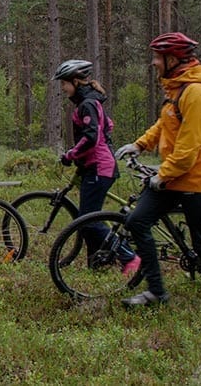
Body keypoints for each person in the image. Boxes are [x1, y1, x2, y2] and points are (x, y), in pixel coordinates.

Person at [114, 32, 201, 307]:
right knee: (137, 221)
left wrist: (162, 175)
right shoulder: (177, 88)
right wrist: (139, 145)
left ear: (172, 59)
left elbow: (188, 150)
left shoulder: (196, 93)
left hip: (195, 181)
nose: (154, 63)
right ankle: (156, 292)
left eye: (157, 57)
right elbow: (165, 125)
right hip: (173, 178)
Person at [53, 59, 139, 275]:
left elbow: (92, 137)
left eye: (64, 83)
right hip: (94, 165)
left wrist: (71, 154)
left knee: (88, 221)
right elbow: (108, 126)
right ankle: (97, 263)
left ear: (75, 81)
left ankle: (130, 257)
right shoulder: (89, 102)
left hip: (99, 167)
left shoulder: (87, 104)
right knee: (88, 219)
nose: (63, 88)